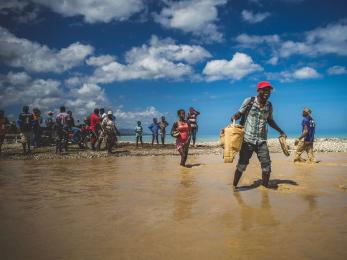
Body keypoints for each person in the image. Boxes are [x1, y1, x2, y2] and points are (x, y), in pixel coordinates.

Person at [231, 81, 286, 189]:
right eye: (265, 90)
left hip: (261, 141)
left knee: (267, 166)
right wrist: (234, 117)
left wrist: (281, 131)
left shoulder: (269, 105)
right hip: (247, 140)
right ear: (259, 90)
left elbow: (270, 120)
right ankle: (234, 187)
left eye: (269, 90)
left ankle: (265, 190)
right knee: (242, 165)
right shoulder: (249, 101)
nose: (267, 92)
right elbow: (240, 113)